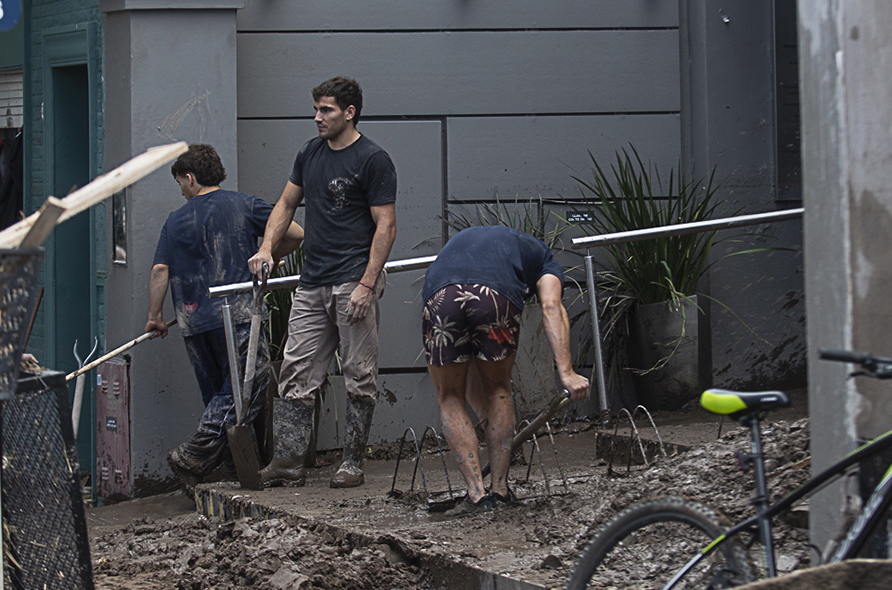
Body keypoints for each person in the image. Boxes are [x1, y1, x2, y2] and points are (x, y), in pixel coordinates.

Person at [247, 76, 397, 488]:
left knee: (358, 370)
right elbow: (285, 203)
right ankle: (288, 461)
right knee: (296, 368)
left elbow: (385, 225)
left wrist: (367, 284)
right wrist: (266, 248)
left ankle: (352, 463)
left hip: (353, 279)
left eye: (326, 110)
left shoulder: (373, 159)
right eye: (315, 109)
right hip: (312, 281)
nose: (318, 117)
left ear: (350, 112)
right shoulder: (310, 153)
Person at [146, 145, 303, 484]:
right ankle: (194, 454)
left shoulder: (174, 221)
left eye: (180, 184)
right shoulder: (244, 205)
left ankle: (233, 469)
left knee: (219, 395)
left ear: (190, 178)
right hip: (238, 314)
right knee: (248, 385)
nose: (182, 190)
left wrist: (155, 317)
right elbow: (296, 234)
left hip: (193, 321)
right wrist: (268, 254)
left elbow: (160, 270)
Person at [421, 225, 590, 509]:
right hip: (493, 296)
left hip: (442, 296)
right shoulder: (544, 258)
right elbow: (551, 306)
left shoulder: (466, 242)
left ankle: (475, 495)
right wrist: (566, 372)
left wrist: (487, 418)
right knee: (498, 389)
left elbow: (470, 362)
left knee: (450, 397)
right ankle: (498, 492)